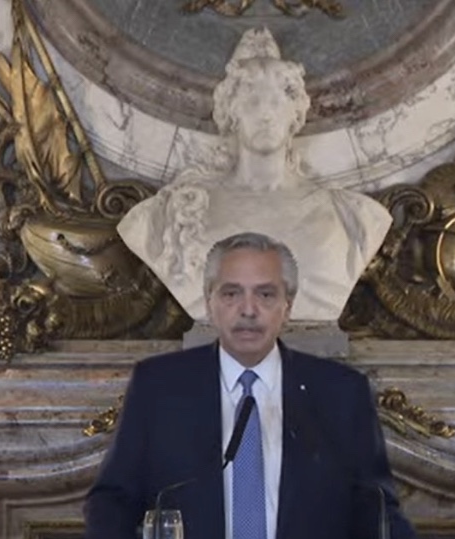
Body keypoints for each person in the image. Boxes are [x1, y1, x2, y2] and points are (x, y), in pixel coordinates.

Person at [84, 231, 442, 539]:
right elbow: (110, 500)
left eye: (266, 294)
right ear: (209, 302)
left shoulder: (339, 392)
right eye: (231, 293)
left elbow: (377, 508)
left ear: (288, 306)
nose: (248, 309)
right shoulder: (159, 386)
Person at [115, 28, 393, 322]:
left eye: (275, 102)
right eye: (252, 102)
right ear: (231, 113)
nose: (265, 115)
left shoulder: (353, 216)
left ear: (295, 115)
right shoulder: (176, 211)